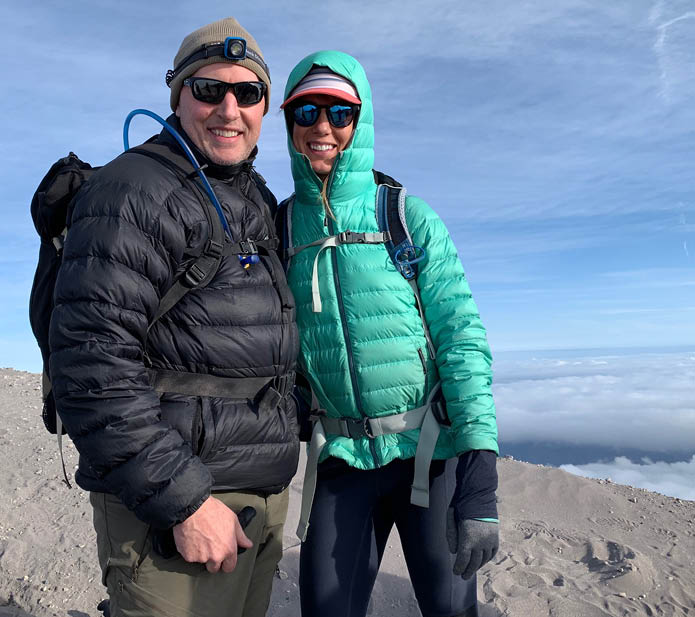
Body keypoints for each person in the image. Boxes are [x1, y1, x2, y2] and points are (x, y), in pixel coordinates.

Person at [48, 17, 299, 617]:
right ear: (178, 98)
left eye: (248, 92)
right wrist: (184, 504)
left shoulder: (253, 197)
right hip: (177, 509)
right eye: (209, 90)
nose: (229, 108)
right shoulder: (134, 191)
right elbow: (92, 365)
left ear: (266, 106)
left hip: (255, 502)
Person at [278, 51, 499, 617]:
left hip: (428, 455)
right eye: (306, 111)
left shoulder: (405, 216)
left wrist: (479, 480)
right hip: (341, 458)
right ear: (288, 123)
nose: (322, 126)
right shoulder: (279, 227)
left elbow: (462, 341)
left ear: (362, 119)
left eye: (339, 111)